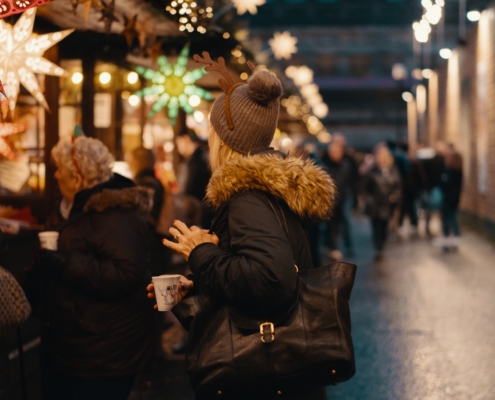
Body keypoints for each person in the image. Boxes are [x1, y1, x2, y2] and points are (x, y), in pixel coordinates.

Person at [148, 57, 336, 399]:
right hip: (284, 375)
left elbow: (271, 280)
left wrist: (200, 252)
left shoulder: (248, 195)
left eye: (212, 129)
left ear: (226, 138)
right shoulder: (267, 190)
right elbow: (254, 276)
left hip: (262, 375)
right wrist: (198, 285)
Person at [34, 132, 155, 400]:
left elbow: (127, 275)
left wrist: (67, 264)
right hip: (72, 346)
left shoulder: (115, 215)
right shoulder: (69, 207)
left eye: (59, 171)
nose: (54, 176)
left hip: (103, 354)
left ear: (77, 178)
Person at [364, 144, 402, 261]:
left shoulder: (393, 170)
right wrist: (369, 199)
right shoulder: (372, 171)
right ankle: (378, 248)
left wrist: (395, 196)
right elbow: (365, 187)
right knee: (376, 227)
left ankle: (381, 246)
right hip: (375, 204)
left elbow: (398, 186)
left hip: (387, 204)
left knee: (384, 226)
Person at [176, 130, 214, 228]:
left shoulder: (196, 161)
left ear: (185, 138)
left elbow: (189, 189)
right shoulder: (202, 156)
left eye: (178, 143)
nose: (178, 148)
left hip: (200, 213)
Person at [439, 146, 463, 252]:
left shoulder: (449, 171)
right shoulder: (459, 171)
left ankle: (446, 242)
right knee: (453, 219)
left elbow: (444, 184)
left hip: (448, 199)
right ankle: (455, 240)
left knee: (447, 221)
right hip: (455, 199)